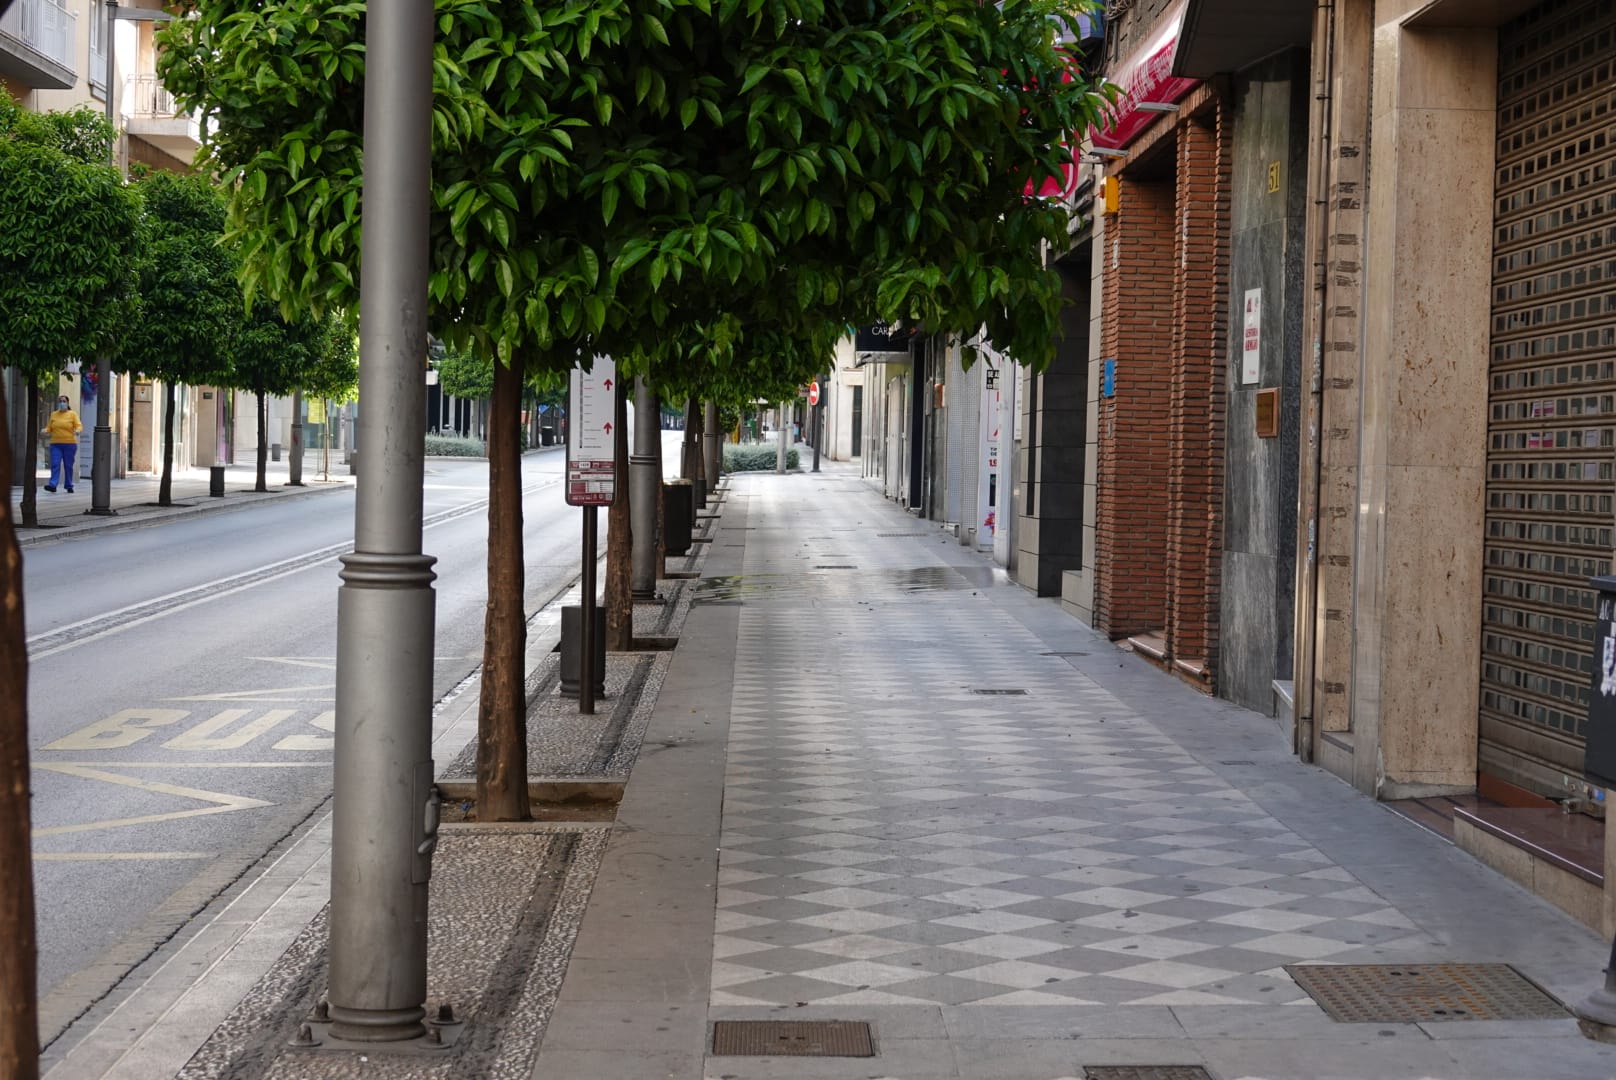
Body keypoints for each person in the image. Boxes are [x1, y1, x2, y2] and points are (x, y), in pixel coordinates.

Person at [42, 393, 83, 493]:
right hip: (55, 444)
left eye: (64, 401)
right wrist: (45, 430)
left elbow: (79, 425)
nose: (62, 403)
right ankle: (53, 485)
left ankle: (69, 485)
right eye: (60, 401)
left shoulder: (72, 414)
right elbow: (50, 427)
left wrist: (77, 431)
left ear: (67, 403)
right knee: (55, 464)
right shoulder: (54, 414)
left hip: (69, 444)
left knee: (68, 465)